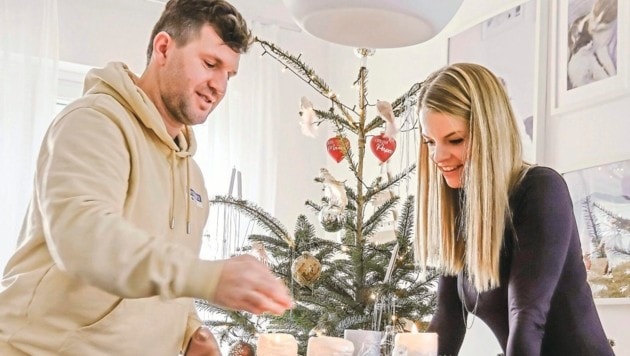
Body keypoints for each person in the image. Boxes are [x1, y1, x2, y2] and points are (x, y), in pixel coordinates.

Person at [0, 0, 292, 355]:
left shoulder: (193, 178)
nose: (218, 86)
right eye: (210, 64)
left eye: (228, 75)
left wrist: (190, 331)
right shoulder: (94, 122)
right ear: (164, 48)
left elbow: (162, 274)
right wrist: (209, 278)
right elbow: (84, 238)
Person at [413, 63, 614, 355]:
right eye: (430, 142)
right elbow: (447, 319)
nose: (438, 156)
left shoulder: (541, 189)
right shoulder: (460, 209)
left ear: (490, 134)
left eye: (454, 140)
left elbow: (528, 318)